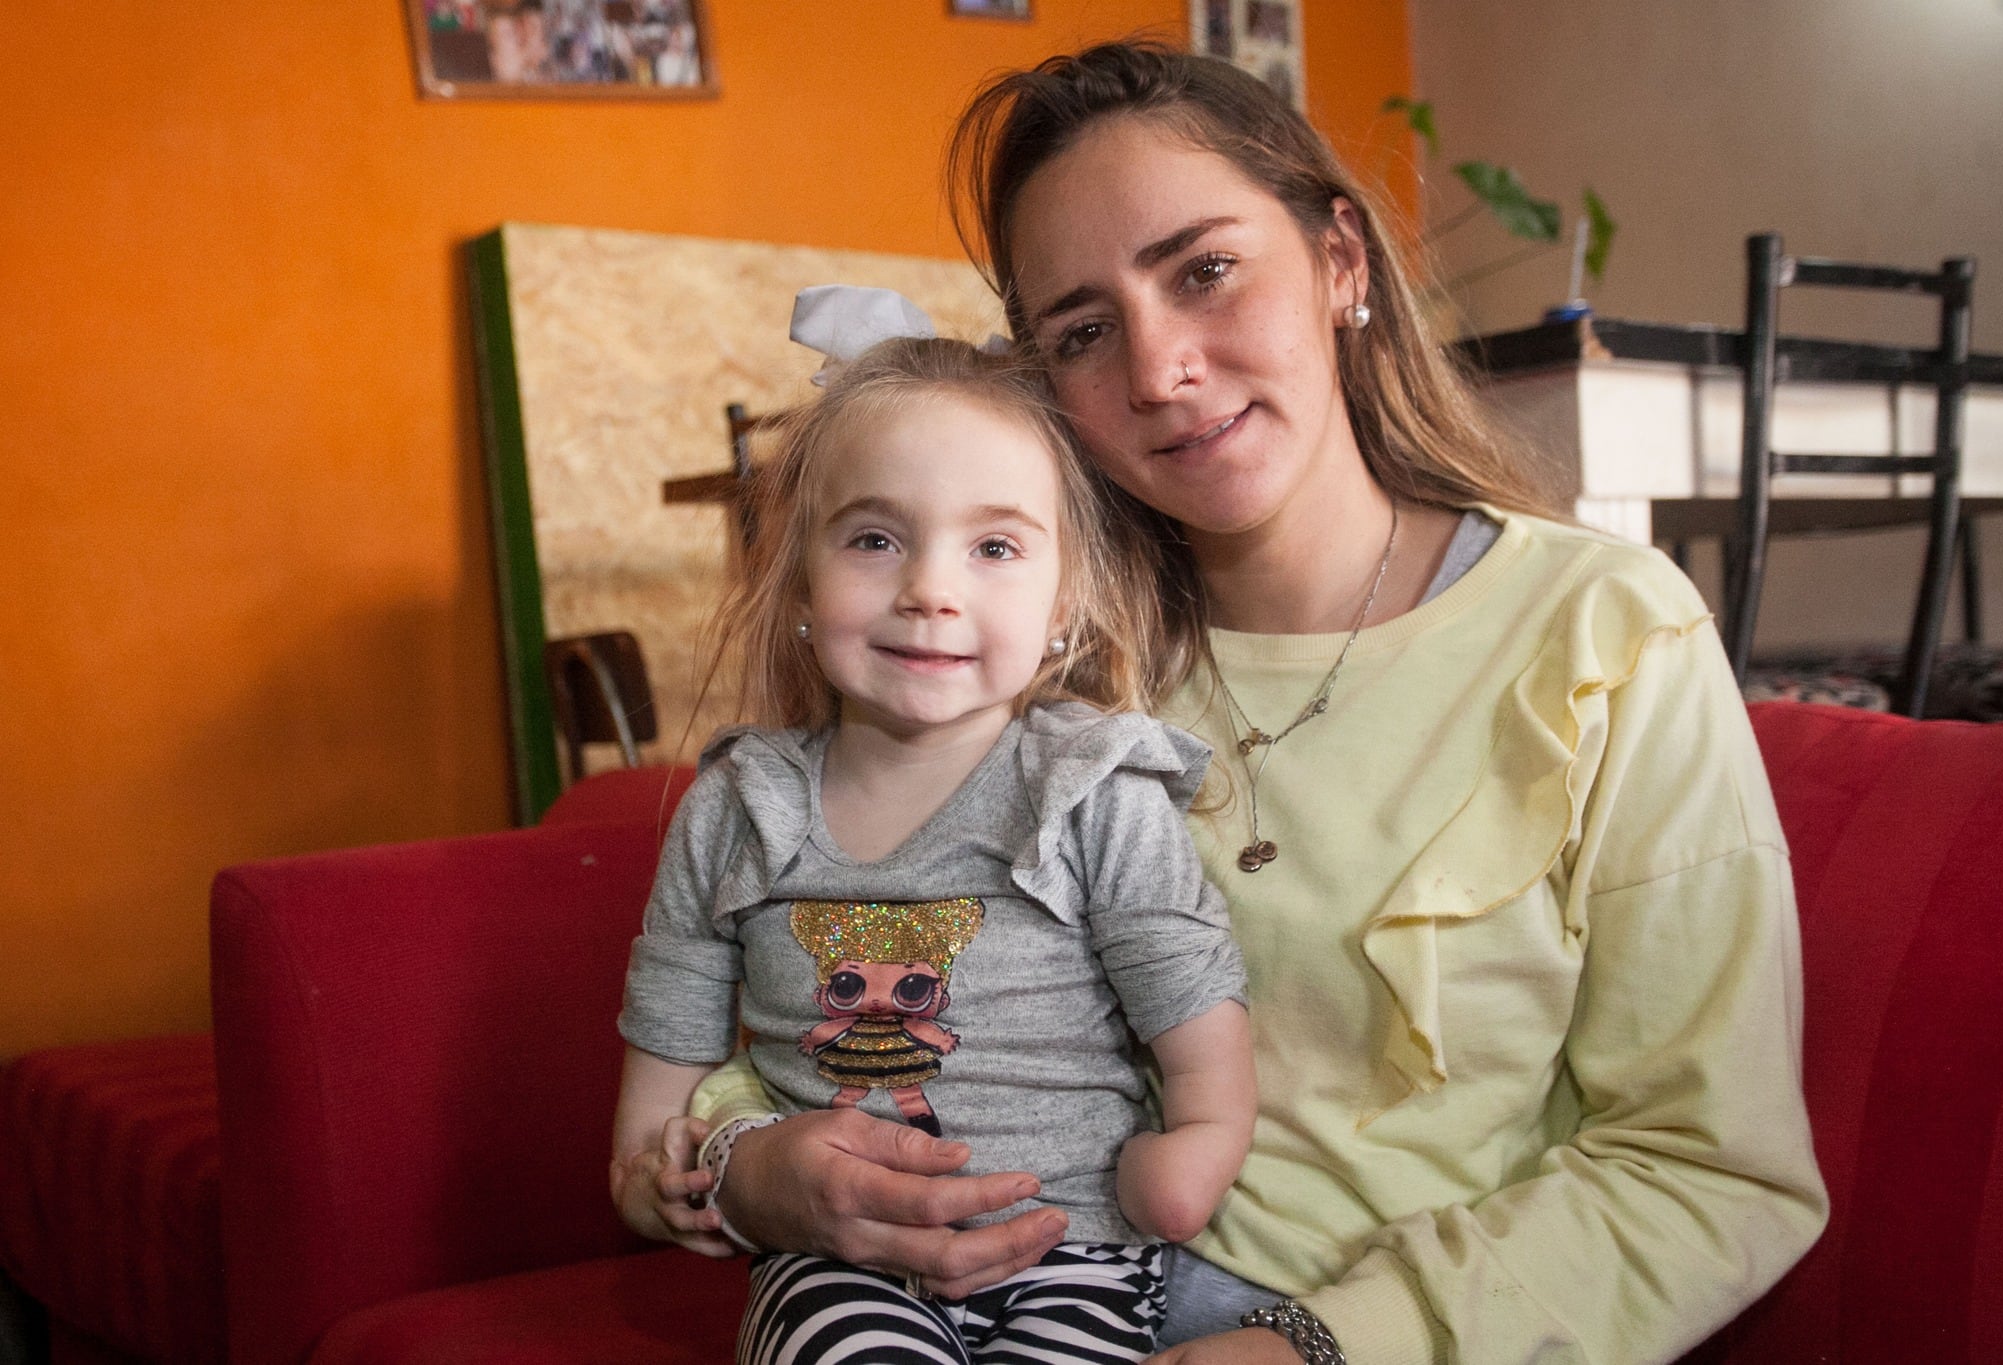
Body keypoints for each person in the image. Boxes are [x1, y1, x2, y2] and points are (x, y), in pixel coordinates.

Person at [664, 41, 1829, 1365]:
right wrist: (753, 1173)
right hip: (1034, 1303)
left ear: (1342, 262)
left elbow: (1711, 1169)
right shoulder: (1031, 663)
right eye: (1085, 331)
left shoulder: (1609, 633)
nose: (1159, 371)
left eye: (1205, 271)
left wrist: (1307, 1350)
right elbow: (806, 964)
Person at [610, 328, 1258, 1363]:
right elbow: (647, 1151)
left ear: (1064, 604)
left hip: (1075, 1248)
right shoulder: (737, 806)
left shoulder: (1093, 786)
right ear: (798, 584)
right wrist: (668, 1188)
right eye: (873, 539)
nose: (929, 588)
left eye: (993, 547)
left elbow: (1191, 1001)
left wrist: (1202, 1143)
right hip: (833, 1266)